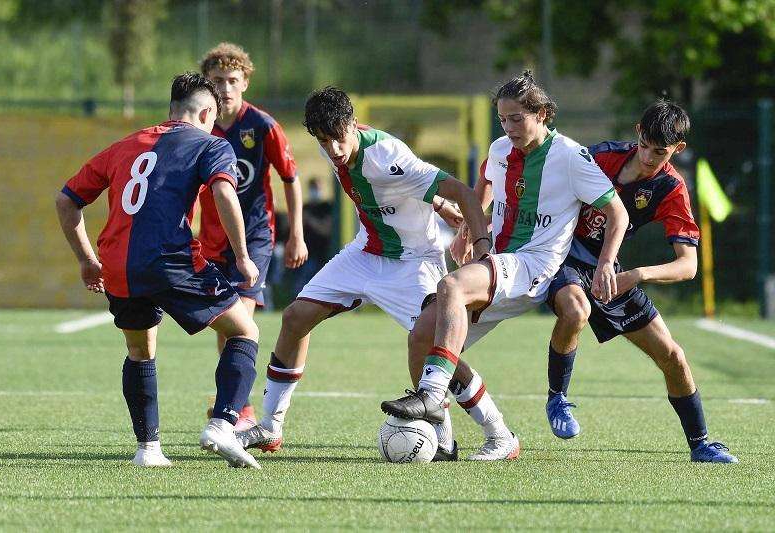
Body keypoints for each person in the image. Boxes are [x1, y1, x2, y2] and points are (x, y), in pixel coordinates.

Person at [381, 71, 629, 461]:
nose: (509, 127)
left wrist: (606, 263)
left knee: (451, 287)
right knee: (421, 339)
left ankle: (430, 396)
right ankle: (488, 437)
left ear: (543, 114)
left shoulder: (569, 157)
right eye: (503, 119)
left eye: (517, 118)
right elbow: (485, 188)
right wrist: (468, 228)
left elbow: (618, 214)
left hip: (532, 267)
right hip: (498, 261)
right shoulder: (500, 150)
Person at [236, 86, 491, 460]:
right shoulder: (342, 141)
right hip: (364, 253)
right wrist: (435, 203)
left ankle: (474, 434)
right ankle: (271, 428)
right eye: (324, 142)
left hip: (413, 260)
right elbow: (396, 189)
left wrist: (480, 249)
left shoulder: (387, 155)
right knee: (294, 318)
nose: (334, 149)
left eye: (339, 138)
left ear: (352, 125)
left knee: (431, 346)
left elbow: (466, 194)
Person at [55, 72, 261, 469]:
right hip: (171, 260)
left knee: (139, 351)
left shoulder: (123, 146)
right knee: (244, 330)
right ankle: (222, 423)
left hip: (117, 264)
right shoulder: (212, 144)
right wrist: (242, 256)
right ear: (205, 113)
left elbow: (66, 201)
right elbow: (223, 192)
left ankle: (148, 449)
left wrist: (86, 261)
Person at [541, 100, 738, 462]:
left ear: (677, 150)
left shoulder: (671, 188)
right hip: (562, 258)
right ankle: (558, 399)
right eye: (644, 144)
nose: (648, 155)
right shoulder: (600, 157)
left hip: (611, 271)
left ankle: (701, 444)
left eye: (659, 151)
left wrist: (638, 274)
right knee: (575, 309)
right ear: (637, 133)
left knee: (673, 356)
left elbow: (687, 266)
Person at [198, 42, 308, 429]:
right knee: (225, 321)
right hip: (212, 239)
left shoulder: (262, 126)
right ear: (206, 85)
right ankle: (234, 397)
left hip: (257, 236)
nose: (225, 88)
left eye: (232, 80)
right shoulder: (200, 127)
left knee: (241, 315)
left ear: (245, 82)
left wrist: (296, 233)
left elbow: (291, 179)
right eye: (217, 81)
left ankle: (238, 406)